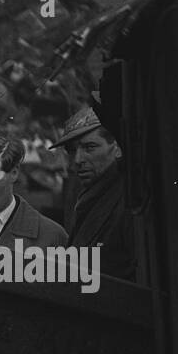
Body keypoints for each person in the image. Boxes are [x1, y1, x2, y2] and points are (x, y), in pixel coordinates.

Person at [50, 106, 136, 282]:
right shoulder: (91, 196)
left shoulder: (128, 200)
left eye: (89, 147)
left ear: (117, 147)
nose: (78, 160)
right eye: (72, 150)